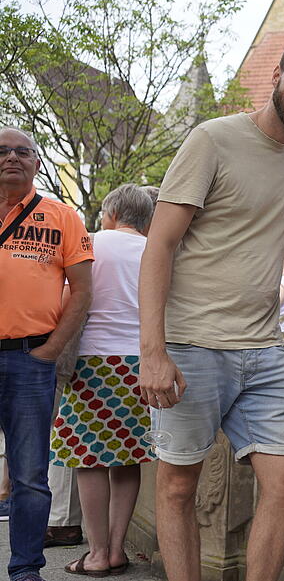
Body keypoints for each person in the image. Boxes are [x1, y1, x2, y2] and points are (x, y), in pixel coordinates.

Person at [137, 39, 284, 581]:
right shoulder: (213, 139)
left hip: (265, 347)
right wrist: (152, 352)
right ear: (277, 75)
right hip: (193, 342)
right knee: (178, 484)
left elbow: (270, 233)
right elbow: (160, 244)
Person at [46, 184, 156, 575]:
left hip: (92, 362)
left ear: (111, 213)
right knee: (128, 458)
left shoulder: (90, 243)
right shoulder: (155, 249)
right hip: (142, 363)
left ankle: (96, 554)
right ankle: (117, 550)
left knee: (88, 458)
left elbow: (65, 300)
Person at [0, 127, 94, 581]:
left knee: (30, 475)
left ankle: (25, 570)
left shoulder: (62, 217)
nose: (12, 158)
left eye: (23, 152)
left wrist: (51, 350)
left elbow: (83, 291)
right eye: (3, 151)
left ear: (37, 163)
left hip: (28, 360)